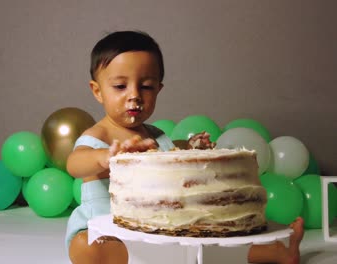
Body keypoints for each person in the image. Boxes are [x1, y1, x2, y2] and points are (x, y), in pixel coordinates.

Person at [65, 30, 303, 264]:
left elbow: (174, 168)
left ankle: (277, 252)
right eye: (120, 86)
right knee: (85, 248)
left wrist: (193, 150)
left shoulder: (155, 136)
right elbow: (75, 163)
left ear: (159, 89)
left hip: (159, 227)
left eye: (146, 86)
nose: (134, 95)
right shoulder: (101, 134)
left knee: (207, 242)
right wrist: (105, 157)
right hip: (109, 229)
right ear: (97, 91)